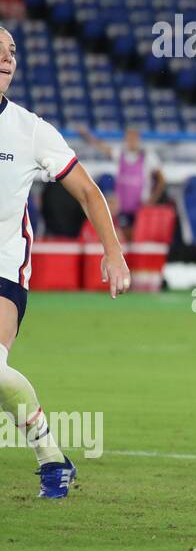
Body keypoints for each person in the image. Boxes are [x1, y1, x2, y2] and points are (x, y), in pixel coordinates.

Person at [0, 26, 130, 498]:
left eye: (12, 52)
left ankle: (49, 460)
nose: (7, 59)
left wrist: (112, 253)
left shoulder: (31, 131)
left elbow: (88, 192)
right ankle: (54, 456)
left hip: (4, 269)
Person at [77, 126, 166, 233]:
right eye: (129, 138)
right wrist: (86, 135)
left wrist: (152, 200)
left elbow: (161, 180)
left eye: (133, 138)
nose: (131, 141)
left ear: (138, 139)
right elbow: (102, 147)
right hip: (121, 208)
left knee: (137, 236)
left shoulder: (148, 157)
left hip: (140, 207)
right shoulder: (120, 154)